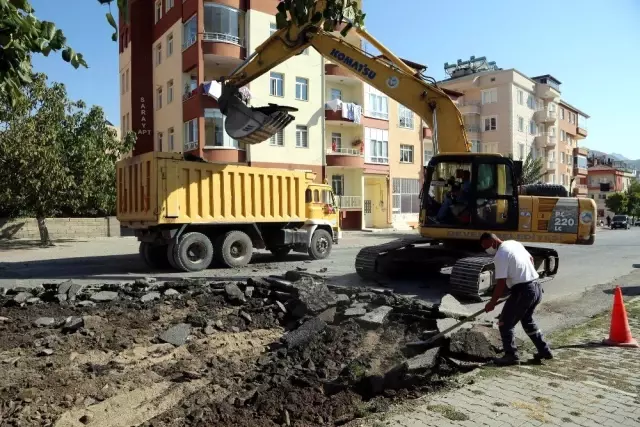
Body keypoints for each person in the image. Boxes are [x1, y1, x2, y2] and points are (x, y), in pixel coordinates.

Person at [479, 232, 553, 365]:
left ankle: (511, 356)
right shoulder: (514, 244)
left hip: (523, 290)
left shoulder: (500, 255)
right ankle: (544, 350)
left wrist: (492, 302)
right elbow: (530, 259)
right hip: (535, 286)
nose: (486, 250)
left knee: (504, 322)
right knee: (527, 320)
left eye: (486, 246)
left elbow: (500, 283)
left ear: (493, 242)